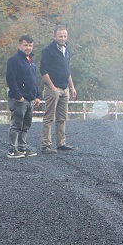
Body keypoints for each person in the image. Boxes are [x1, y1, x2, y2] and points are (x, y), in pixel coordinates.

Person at [39, 24, 77, 153]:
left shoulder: (67, 50)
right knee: (49, 118)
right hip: (53, 89)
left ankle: (61, 143)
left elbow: (67, 70)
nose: (63, 38)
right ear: (54, 36)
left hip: (65, 88)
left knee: (62, 118)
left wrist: (72, 87)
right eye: (60, 36)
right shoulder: (48, 50)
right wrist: (52, 88)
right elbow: (43, 71)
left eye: (65, 36)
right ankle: (46, 145)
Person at [5, 35, 39, 158]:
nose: (28, 47)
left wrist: (37, 96)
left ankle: (22, 148)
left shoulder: (31, 61)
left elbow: (34, 80)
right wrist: (18, 96)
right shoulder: (13, 60)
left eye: (30, 45)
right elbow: (10, 79)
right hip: (19, 99)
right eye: (25, 45)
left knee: (26, 126)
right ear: (19, 45)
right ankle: (12, 150)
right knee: (16, 125)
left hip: (30, 99)